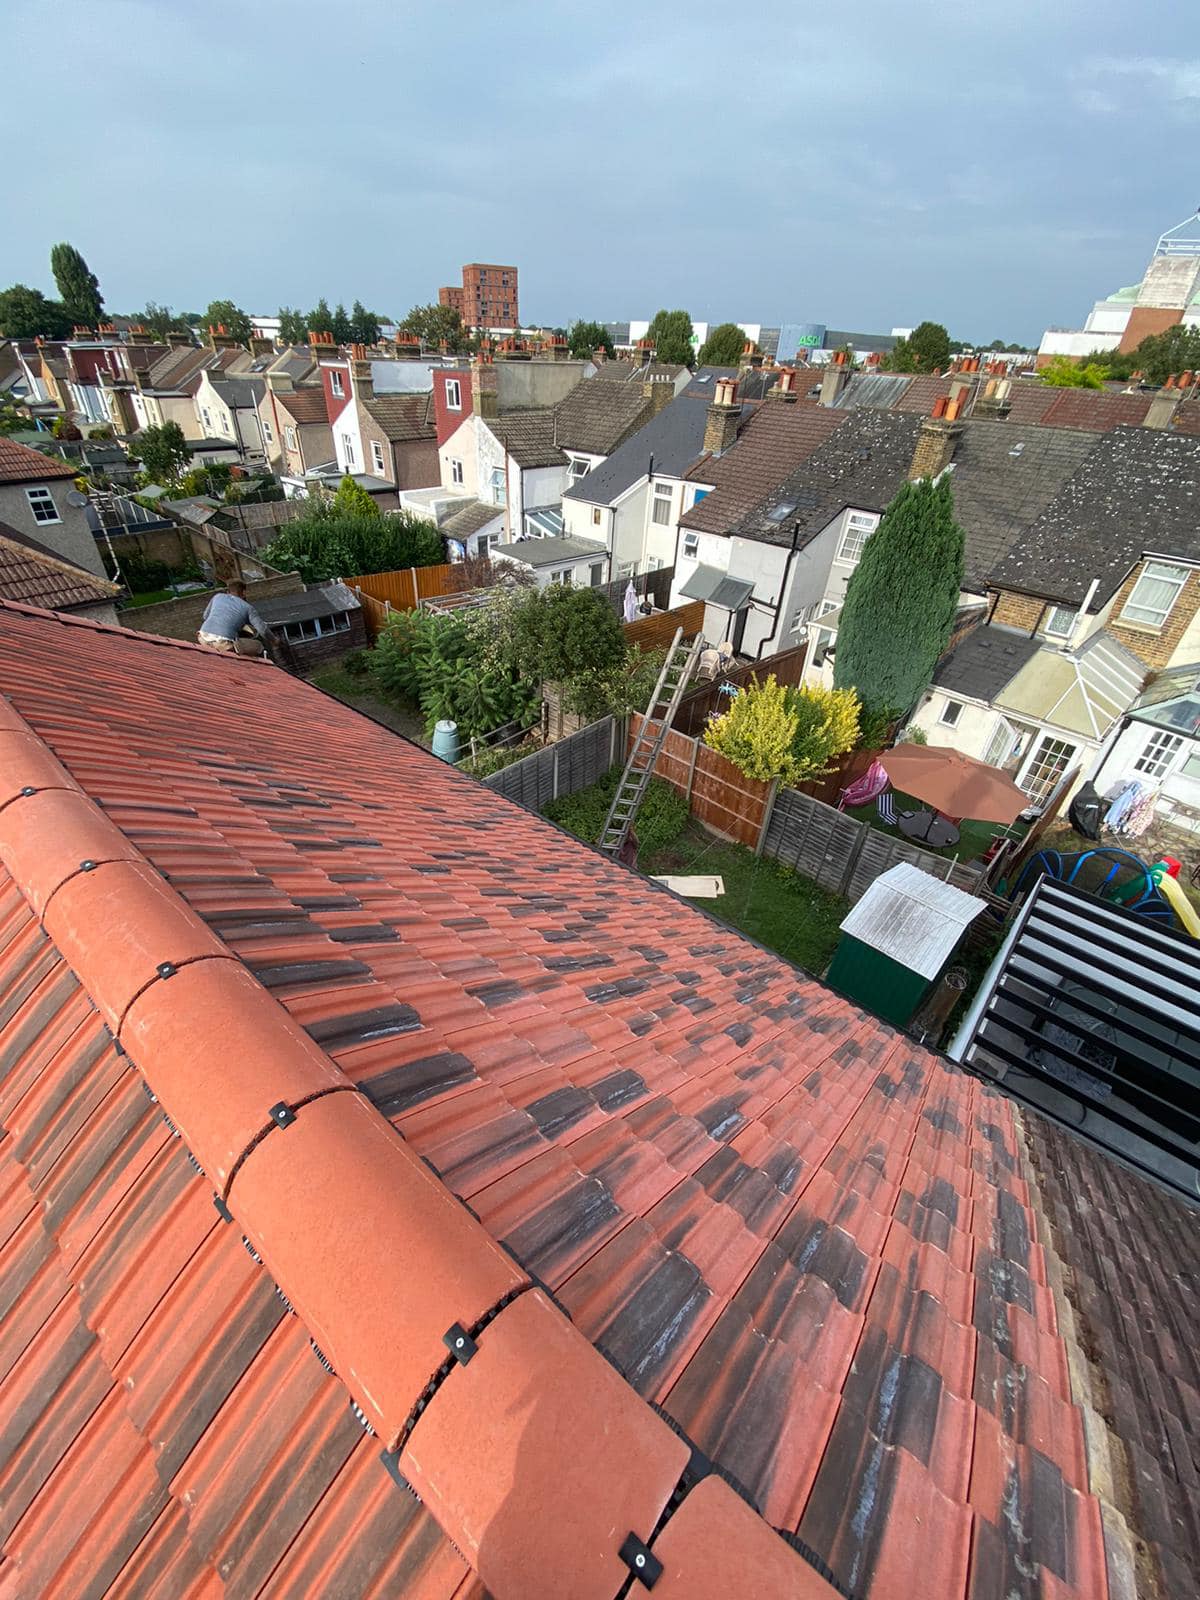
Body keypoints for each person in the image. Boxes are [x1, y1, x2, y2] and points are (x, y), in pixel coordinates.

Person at [197, 581, 275, 656]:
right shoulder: (248, 608)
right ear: (244, 592)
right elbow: (263, 630)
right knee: (258, 646)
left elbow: (205, 616)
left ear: (228, 591)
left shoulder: (217, 596)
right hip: (222, 643)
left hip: (202, 637)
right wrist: (275, 641)